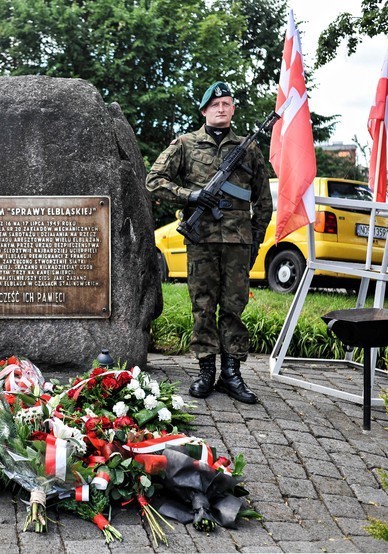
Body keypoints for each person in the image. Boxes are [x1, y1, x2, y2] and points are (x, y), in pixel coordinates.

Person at [145, 81, 272, 404]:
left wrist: (254, 241)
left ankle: (232, 374)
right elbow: (154, 181)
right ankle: (205, 371)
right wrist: (192, 196)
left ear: (232, 110)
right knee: (202, 306)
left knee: (234, 307)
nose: (221, 109)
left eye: (227, 104)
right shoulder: (185, 145)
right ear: (204, 110)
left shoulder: (249, 148)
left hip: (237, 243)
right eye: (215, 105)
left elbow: (264, 201)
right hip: (201, 239)